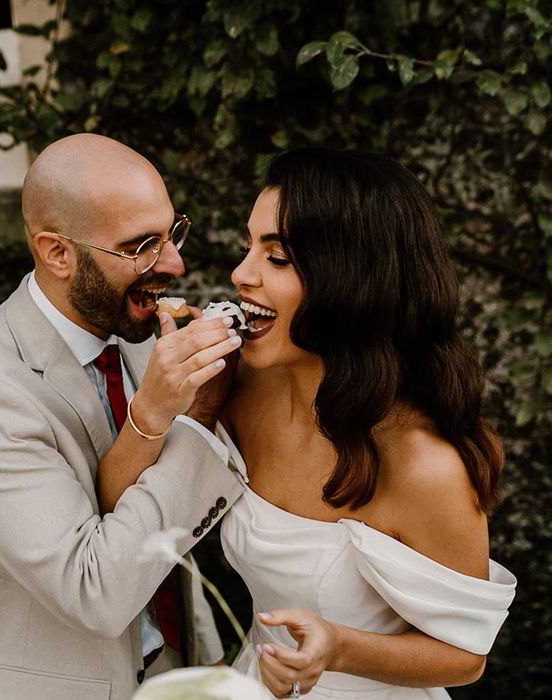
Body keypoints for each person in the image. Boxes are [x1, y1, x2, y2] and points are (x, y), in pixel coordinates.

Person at [0, 133, 246, 700]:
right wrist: (196, 420)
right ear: (57, 253)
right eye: (141, 245)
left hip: (180, 669)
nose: (174, 262)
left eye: (172, 233)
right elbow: (92, 589)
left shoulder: (143, 339)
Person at [218, 147, 517, 698]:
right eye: (248, 247)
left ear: (351, 280)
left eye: (277, 258)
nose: (241, 274)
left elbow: (465, 656)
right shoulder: (239, 391)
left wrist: (339, 647)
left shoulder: (427, 465)